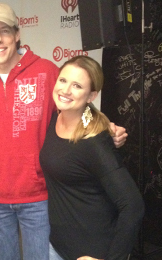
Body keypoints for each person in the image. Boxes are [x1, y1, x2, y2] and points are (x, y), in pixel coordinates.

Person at [0, 3, 128, 260]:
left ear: (17, 34)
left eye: (4, 31)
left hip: (38, 196)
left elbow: (74, 111)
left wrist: (105, 128)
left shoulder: (47, 71)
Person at [39, 55, 144, 260]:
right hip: (57, 245)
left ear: (91, 96)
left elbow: (133, 206)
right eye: (63, 80)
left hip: (91, 251)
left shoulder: (94, 142)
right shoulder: (54, 119)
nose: (66, 90)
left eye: (77, 85)